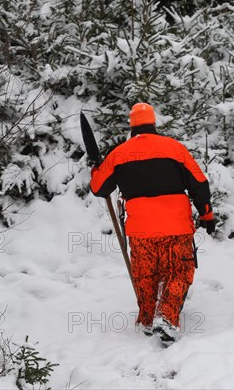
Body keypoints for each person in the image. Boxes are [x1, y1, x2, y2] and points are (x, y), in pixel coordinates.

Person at [90, 102, 215, 345]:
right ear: (153, 123)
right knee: (179, 272)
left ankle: (148, 320)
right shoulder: (174, 149)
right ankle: (167, 318)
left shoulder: (119, 154)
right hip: (176, 228)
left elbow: (99, 188)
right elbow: (199, 183)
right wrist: (207, 214)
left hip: (141, 232)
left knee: (146, 275)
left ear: (132, 126)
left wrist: (96, 170)